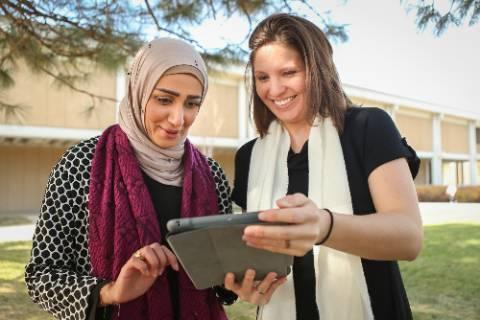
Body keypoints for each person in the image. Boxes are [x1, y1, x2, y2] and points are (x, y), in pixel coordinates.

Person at [226, 13, 423, 320]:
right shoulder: (249, 156)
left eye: (288, 72)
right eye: (262, 77)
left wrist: (324, 225)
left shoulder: (368, 127)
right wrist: (251, 285)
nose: (274, 90)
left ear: (317, 69)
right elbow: (256, 253)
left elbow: (409, 237)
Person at [25, 38, 237, 320]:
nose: (178, 118)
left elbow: (220, 282)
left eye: (192, 103)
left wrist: (240, 277)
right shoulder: (80, 163)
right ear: (139, 91)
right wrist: (111, 292)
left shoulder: (211, 174)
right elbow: (41, 275)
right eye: (164, 99)